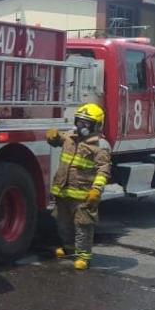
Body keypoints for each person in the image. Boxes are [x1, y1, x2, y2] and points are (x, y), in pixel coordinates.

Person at [46, 103, 111, 270]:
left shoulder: (100, 146)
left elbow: (103, 170)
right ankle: (69, 248)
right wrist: (53, 136)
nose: (82, 126)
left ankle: (84, 256)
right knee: (63, 223)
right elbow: (58, 140)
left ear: (97, 125)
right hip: (63, 191)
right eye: (80, 122)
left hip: (83, 195)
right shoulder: (70, 137)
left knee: (83, 226)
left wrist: (96, 190)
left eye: (87, 123)